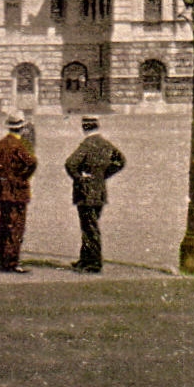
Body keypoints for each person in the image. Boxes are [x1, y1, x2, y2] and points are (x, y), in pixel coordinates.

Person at [63, 115, 126, 274]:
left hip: (85, 192)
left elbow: (70, 163)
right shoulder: (105, 144)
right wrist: (104, 174)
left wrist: (79, 177)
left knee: (89, 228)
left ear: (84, 128)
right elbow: (121, 161)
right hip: (100, 191)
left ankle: (94, 262)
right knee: (91, 225)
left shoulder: (87, 144)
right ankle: (85, 259)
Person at [0, 113, 38, 273]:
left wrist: (0, 175)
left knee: (3, 226)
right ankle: (11, 262)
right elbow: (32, 163)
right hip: (17, 192)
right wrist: (21, 177)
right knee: (16, 227)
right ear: (21, 128)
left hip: (2, 190)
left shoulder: (0, 144)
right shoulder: (20, 146)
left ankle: (0, 261)